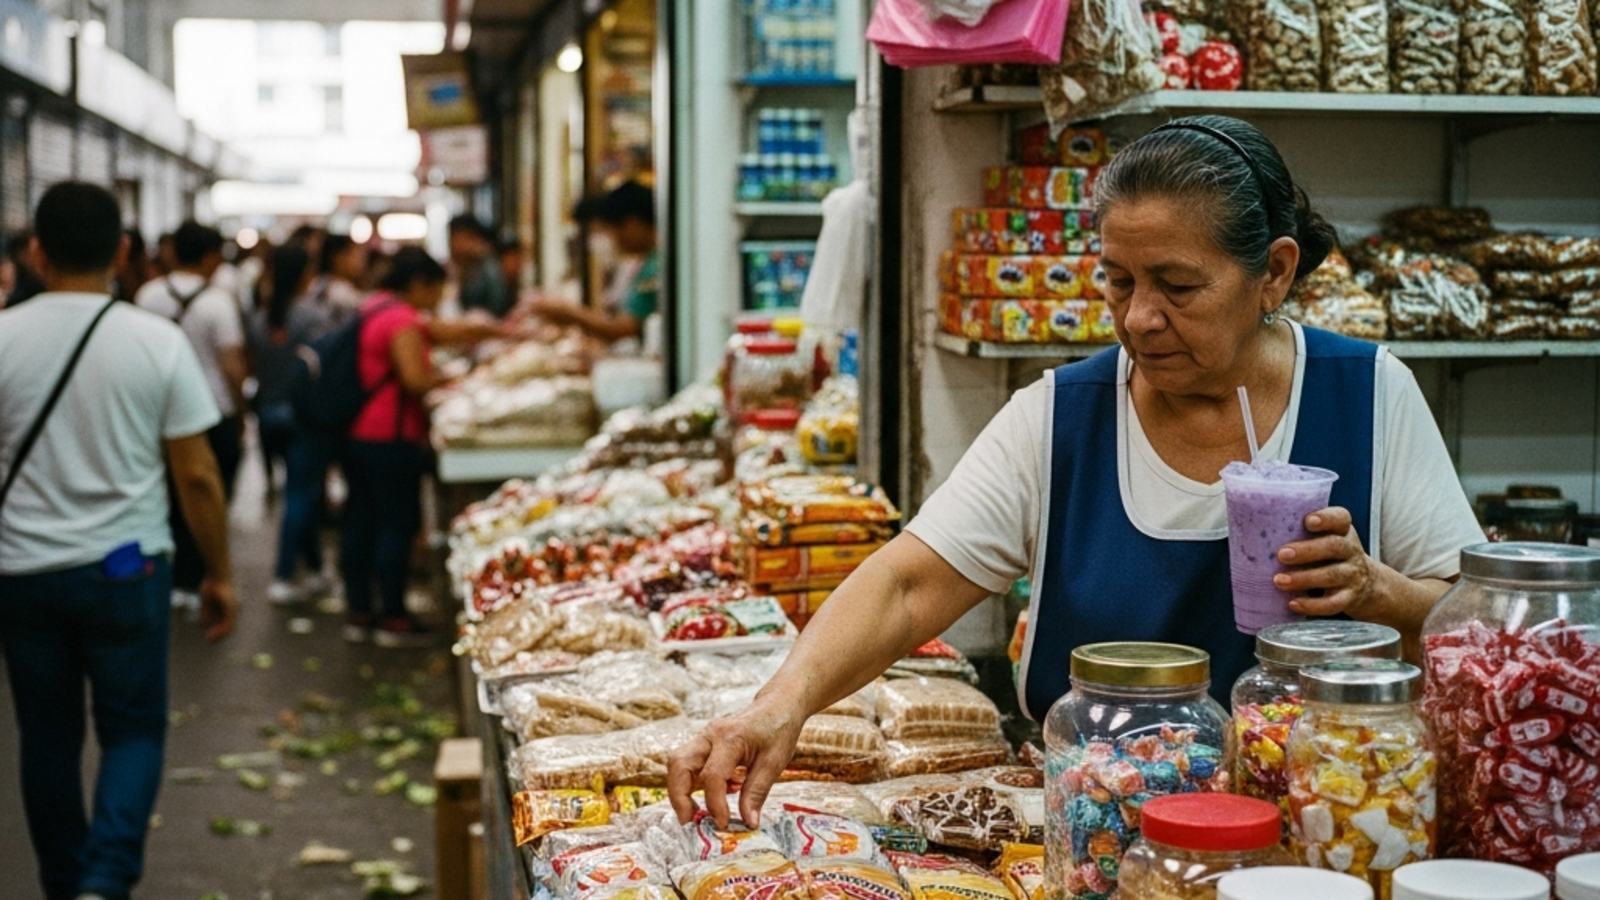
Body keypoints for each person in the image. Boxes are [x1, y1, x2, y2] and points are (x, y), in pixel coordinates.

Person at [666, 115, 1486, 829]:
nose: (1138, 317)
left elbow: (1474, 634)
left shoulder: (1369, 394)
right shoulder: (1062, 414)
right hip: (1093, 826)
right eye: (1118, 281)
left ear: (1272, 272)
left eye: (1177, 286)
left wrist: (1375, 590)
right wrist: (779, 707)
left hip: (1317, 827)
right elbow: (907, 585)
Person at [0, 181, 237, 900]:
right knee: (132, 732)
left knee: (46, 739)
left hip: (24, 573)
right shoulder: (154, 341)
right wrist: (220, 573)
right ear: (124, 252)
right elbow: (196, 474)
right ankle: (104, 882)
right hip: (127, 570)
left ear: (36, 252)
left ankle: (64, 882)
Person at [135, 220, 250, 609]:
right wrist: (241, 412)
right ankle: (199, 574)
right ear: (210, 255)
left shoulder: (149, 295)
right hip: (211, 411)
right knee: (206, 487)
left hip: (156, 410)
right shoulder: (218, 302)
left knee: (167, 492)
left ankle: (172, 578)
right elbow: (231, 363)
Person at [246, 244, 339, 605]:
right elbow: (325, 368)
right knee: (300, 495)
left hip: (269, 414)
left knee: (303, 492)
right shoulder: (313, 316)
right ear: (305, 274)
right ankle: (283, 575)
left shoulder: (259, 316)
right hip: (304, 418)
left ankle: (315, 569)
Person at [527, 181, 659, 343]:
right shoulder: (646, 261)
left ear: (632, 224)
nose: (613, 239)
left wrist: (568, 313)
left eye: (610, 229)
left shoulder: (655, 266)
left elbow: (625, 328)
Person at [448, 215, 511, 318]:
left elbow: (494, 310)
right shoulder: (471, 267)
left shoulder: (488, 269)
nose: (453, 246)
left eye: (456, 239)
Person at [311, 233, 370, 326]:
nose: (361, 259)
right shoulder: (340, 293)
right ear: (337, 258)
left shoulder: (317, 283)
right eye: (355, 253)